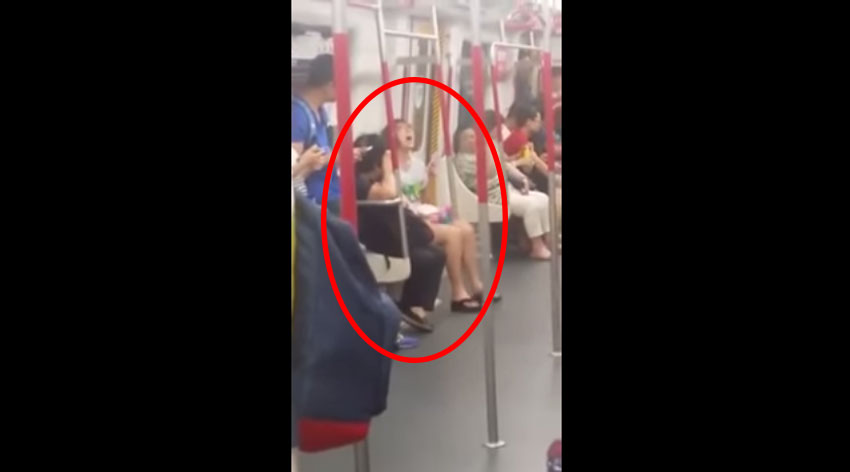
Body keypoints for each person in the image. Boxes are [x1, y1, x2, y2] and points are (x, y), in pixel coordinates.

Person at [385, 120, 501, 309]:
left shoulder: (418, 165)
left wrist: (433, 203)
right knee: (453, 234)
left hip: (421, 213)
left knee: (466, 229)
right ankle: (458, 292)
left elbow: (421, 198)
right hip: (408, 219)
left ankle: (476, 285)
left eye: (410, 128)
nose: (409, 131)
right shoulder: (389, 166)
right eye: (402, 129)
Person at [353, 133, 447, 331]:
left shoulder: (369, 180)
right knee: (426, 257)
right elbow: (389, 193)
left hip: (384, 232)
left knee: (436, 254)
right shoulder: (358, 181)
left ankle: (410, 304)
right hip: (372, 238)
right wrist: (388, 169)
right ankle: (409, 305)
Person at [453, 112, 553, 260]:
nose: (473, 140)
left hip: (503, 189)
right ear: (459, 142)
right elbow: (488, 174)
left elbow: (503, 165)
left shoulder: (479, 155)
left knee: (543, 198)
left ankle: (544, 241)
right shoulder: (463, 160)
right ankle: (537, 246)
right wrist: (490, 148)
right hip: (491, 196)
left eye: (474, 136)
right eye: (468, 137)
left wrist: (522, 179)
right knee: (531, 206)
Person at [291, 54, 341, 214]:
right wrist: (322, 160)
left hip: (331, 191)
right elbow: (295, 170)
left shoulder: (321, 112)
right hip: (314, 201)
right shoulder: (298, 115)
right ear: (330, 85)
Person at [503, 102, 550, 195]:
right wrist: (535, 159)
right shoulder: (520, 139)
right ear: (528, 122)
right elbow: (527, 168)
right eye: (537, 121)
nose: (540, 124)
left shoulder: (519, 136)